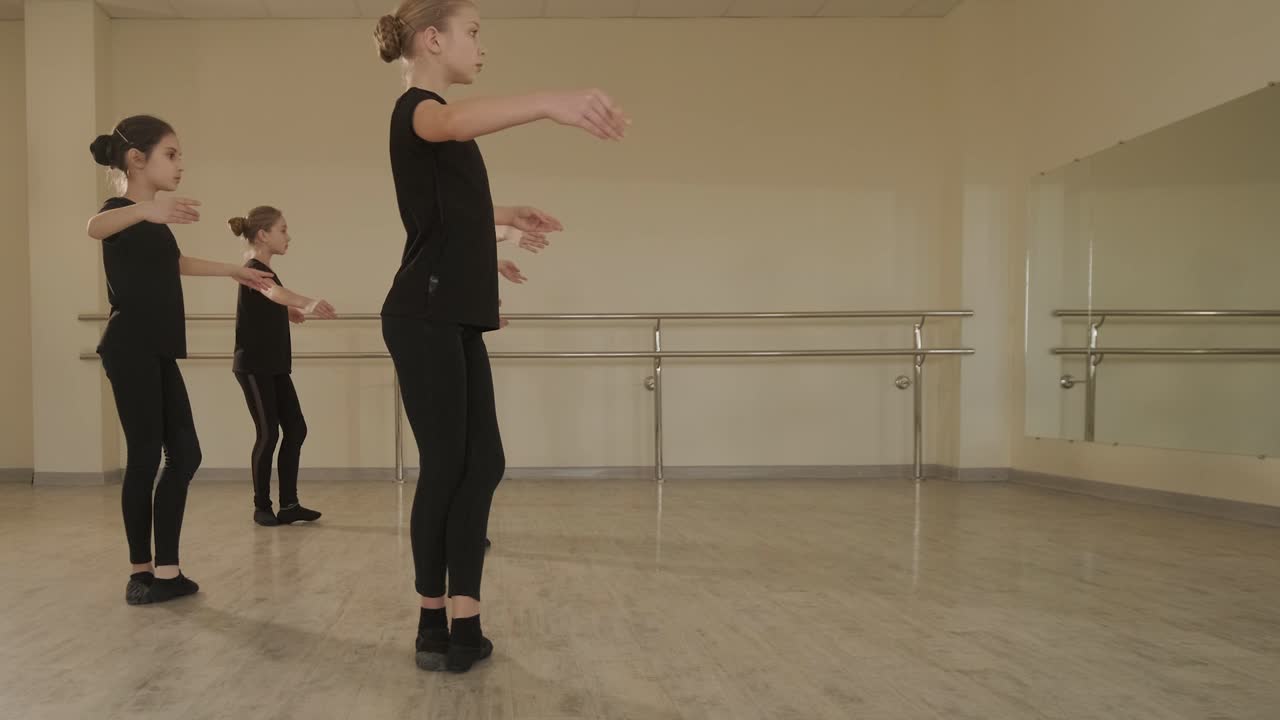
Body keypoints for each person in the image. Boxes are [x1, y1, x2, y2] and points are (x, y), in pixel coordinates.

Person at [373, 0, 628, 672]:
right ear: (433, 39)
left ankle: (463, 621)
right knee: (447, 466)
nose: (482, 47)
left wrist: (505, 221)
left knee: (482, 462)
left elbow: (448, 213)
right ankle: (434, 623)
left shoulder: (444, 131)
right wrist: (548, 102)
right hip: (422, 314)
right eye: (473, 33)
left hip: (449, 314)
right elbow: (451, 123)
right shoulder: (419, 111)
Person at [87, 115, 275, 605]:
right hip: (130, 347)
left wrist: (235, 270)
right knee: (146, 456)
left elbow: (174, 264)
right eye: (171, 154)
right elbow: (94, 227)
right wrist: (146, 210)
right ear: (136, 159)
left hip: (158, 348)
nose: (180, 165)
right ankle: (140, 572)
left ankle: (168, 571)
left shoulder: (152, 221)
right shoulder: (120, 211)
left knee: (186, 454)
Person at [228, 206, 337, 527]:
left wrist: (285, 311)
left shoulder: (264, 270)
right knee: (268, 434)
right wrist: (306, 302)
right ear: (263, 235)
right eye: (283, 230)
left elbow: (270, 298)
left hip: (274, 365)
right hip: (253, 365)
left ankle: (289, 505)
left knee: (296, 429)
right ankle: (262, 506)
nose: (288, 237)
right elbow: (272, 291)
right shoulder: (253, 269)